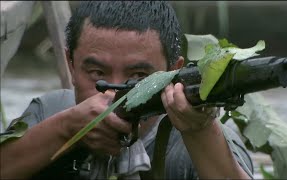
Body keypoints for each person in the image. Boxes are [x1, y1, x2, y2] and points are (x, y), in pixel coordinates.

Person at [0, 1, 253, 179]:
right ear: (71, 65)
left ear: (173, 72)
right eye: (98, 74)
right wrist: (65, 129)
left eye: (139, 76)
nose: (113, 96)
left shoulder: (208, 137)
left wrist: (201, 133)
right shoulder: (49, 112)